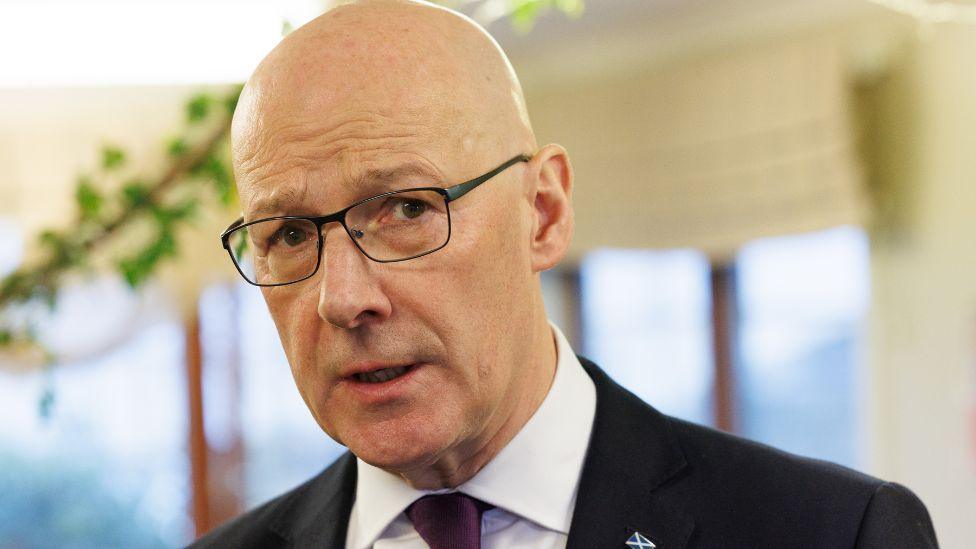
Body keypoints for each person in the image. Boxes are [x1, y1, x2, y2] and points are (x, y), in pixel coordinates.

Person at [192, 1, 938, 547]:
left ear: (543, 213)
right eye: (287, 233)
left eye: (405, 208)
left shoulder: (831, 531)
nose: (343, 298)